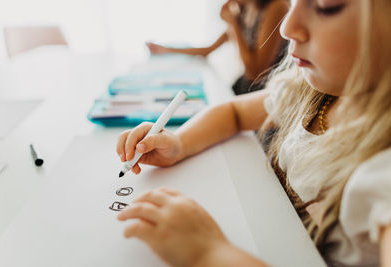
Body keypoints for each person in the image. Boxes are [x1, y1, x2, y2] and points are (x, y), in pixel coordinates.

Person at [116, 0, 391, 266]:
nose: (287, 27)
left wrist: (208, 253)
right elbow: (234, 113)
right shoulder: (311, 92)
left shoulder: (382, 175)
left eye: (325, 6)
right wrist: (178, 142)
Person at [146, 0, 289, 95]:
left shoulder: (277, 7)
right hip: (244, 87)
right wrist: (166, 49)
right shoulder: (245, 9)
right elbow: (207, 50)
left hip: (266, 92)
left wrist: (233, 24)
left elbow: (255, 73)